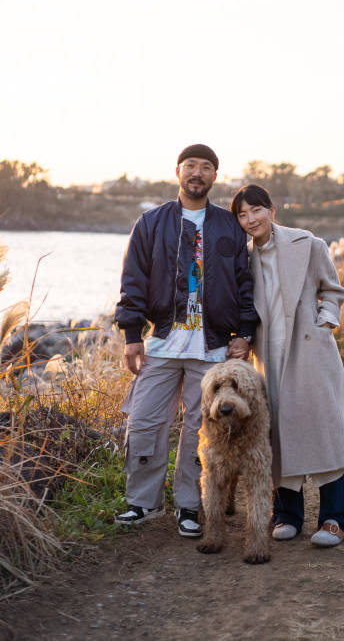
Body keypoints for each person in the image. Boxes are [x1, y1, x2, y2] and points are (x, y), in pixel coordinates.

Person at [114, 145, 258, 537]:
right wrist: (131, 335)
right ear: (178, 171)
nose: (198, 172)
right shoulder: (151, 222)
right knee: (144, 422)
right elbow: (133, 279)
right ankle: (142, 503)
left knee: (203, 429)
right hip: (160, 344)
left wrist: (244, 334)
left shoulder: (229, 226)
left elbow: (246, 285)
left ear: (215, 176)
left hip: (211, 349)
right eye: (191, 165)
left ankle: (191, 508)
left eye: (206, 167)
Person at [230, 184, 344, 547]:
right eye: (242, 214)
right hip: (267, 354)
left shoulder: (309, 243)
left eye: (256, 210)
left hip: (308, 349)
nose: (250, 219)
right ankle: (287, 514)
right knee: (277, 432)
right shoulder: (243, 255)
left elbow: (333, 291)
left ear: (271, 209)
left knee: (322, 428)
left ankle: (337, 519)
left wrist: (324, 323)